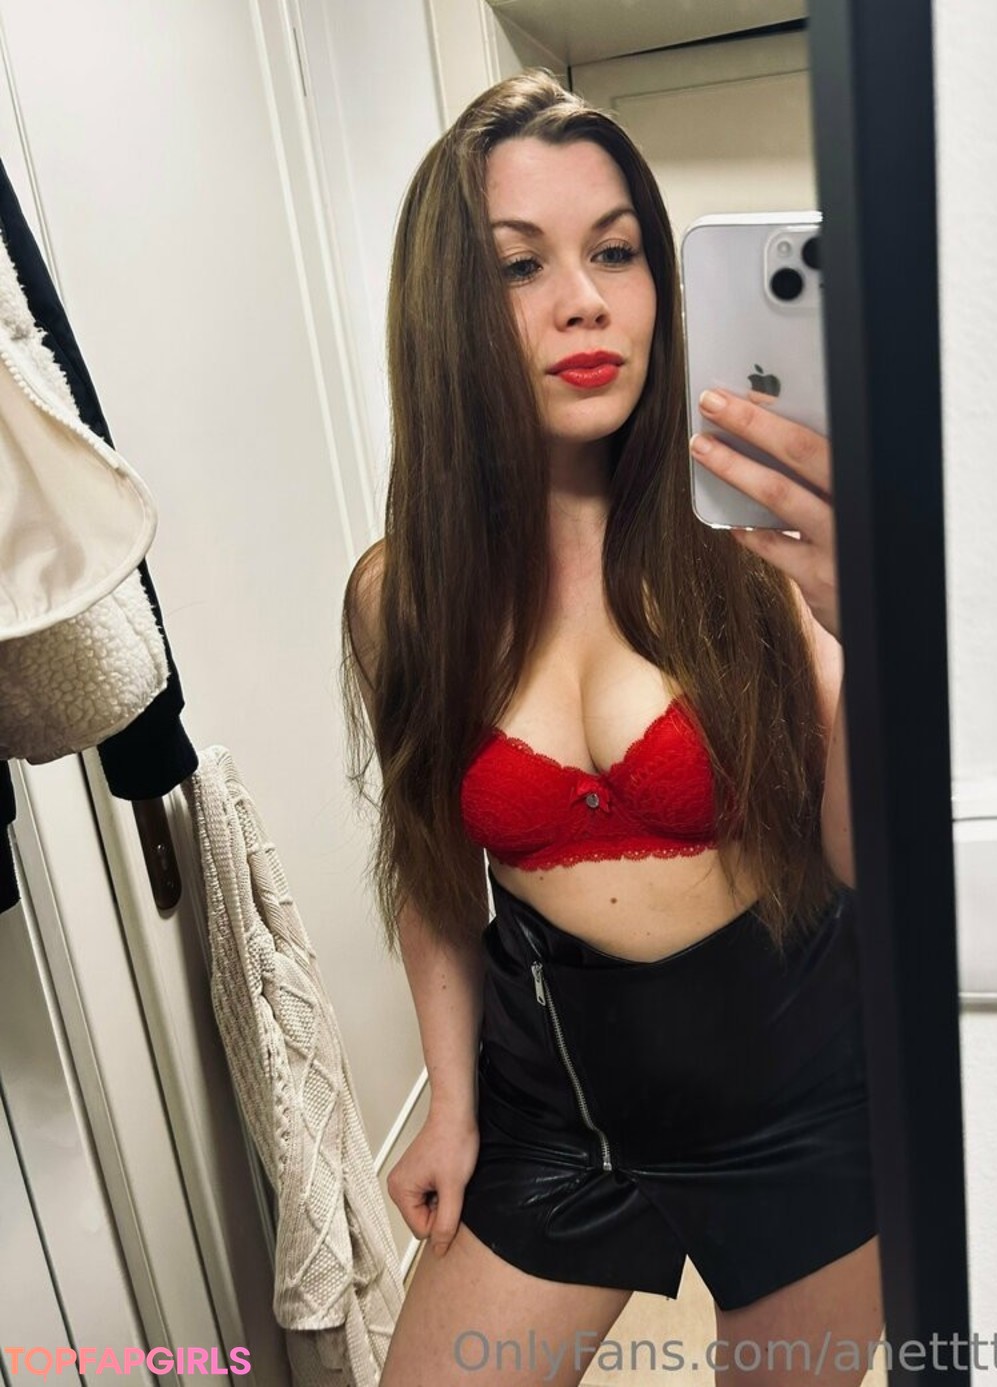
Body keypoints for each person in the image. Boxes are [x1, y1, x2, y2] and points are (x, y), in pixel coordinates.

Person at [342, 69, 883, 1387]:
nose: (584, 300)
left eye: (618, 251)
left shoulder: (756, 551)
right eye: (520, 265)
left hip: (804, 1094)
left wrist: (865, 632)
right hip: (560, 1107)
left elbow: (862, 862)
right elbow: (434, 874)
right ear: (446, 309)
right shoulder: (401, 599)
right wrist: (451, 1104)